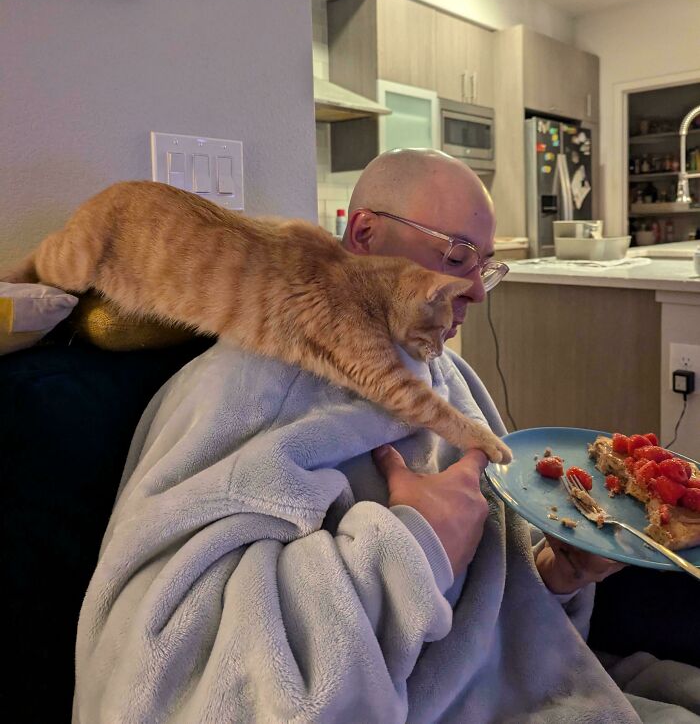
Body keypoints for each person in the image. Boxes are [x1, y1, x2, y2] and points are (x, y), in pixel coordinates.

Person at [73, 149, 699, 723]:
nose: (476, 291)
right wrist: (410, 549)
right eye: (456, 257)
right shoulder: (246, 386)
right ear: (365, 235)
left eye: (486, 266)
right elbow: (162, 677)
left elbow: (492, 607)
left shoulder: (444, 374)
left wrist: (553, 572)